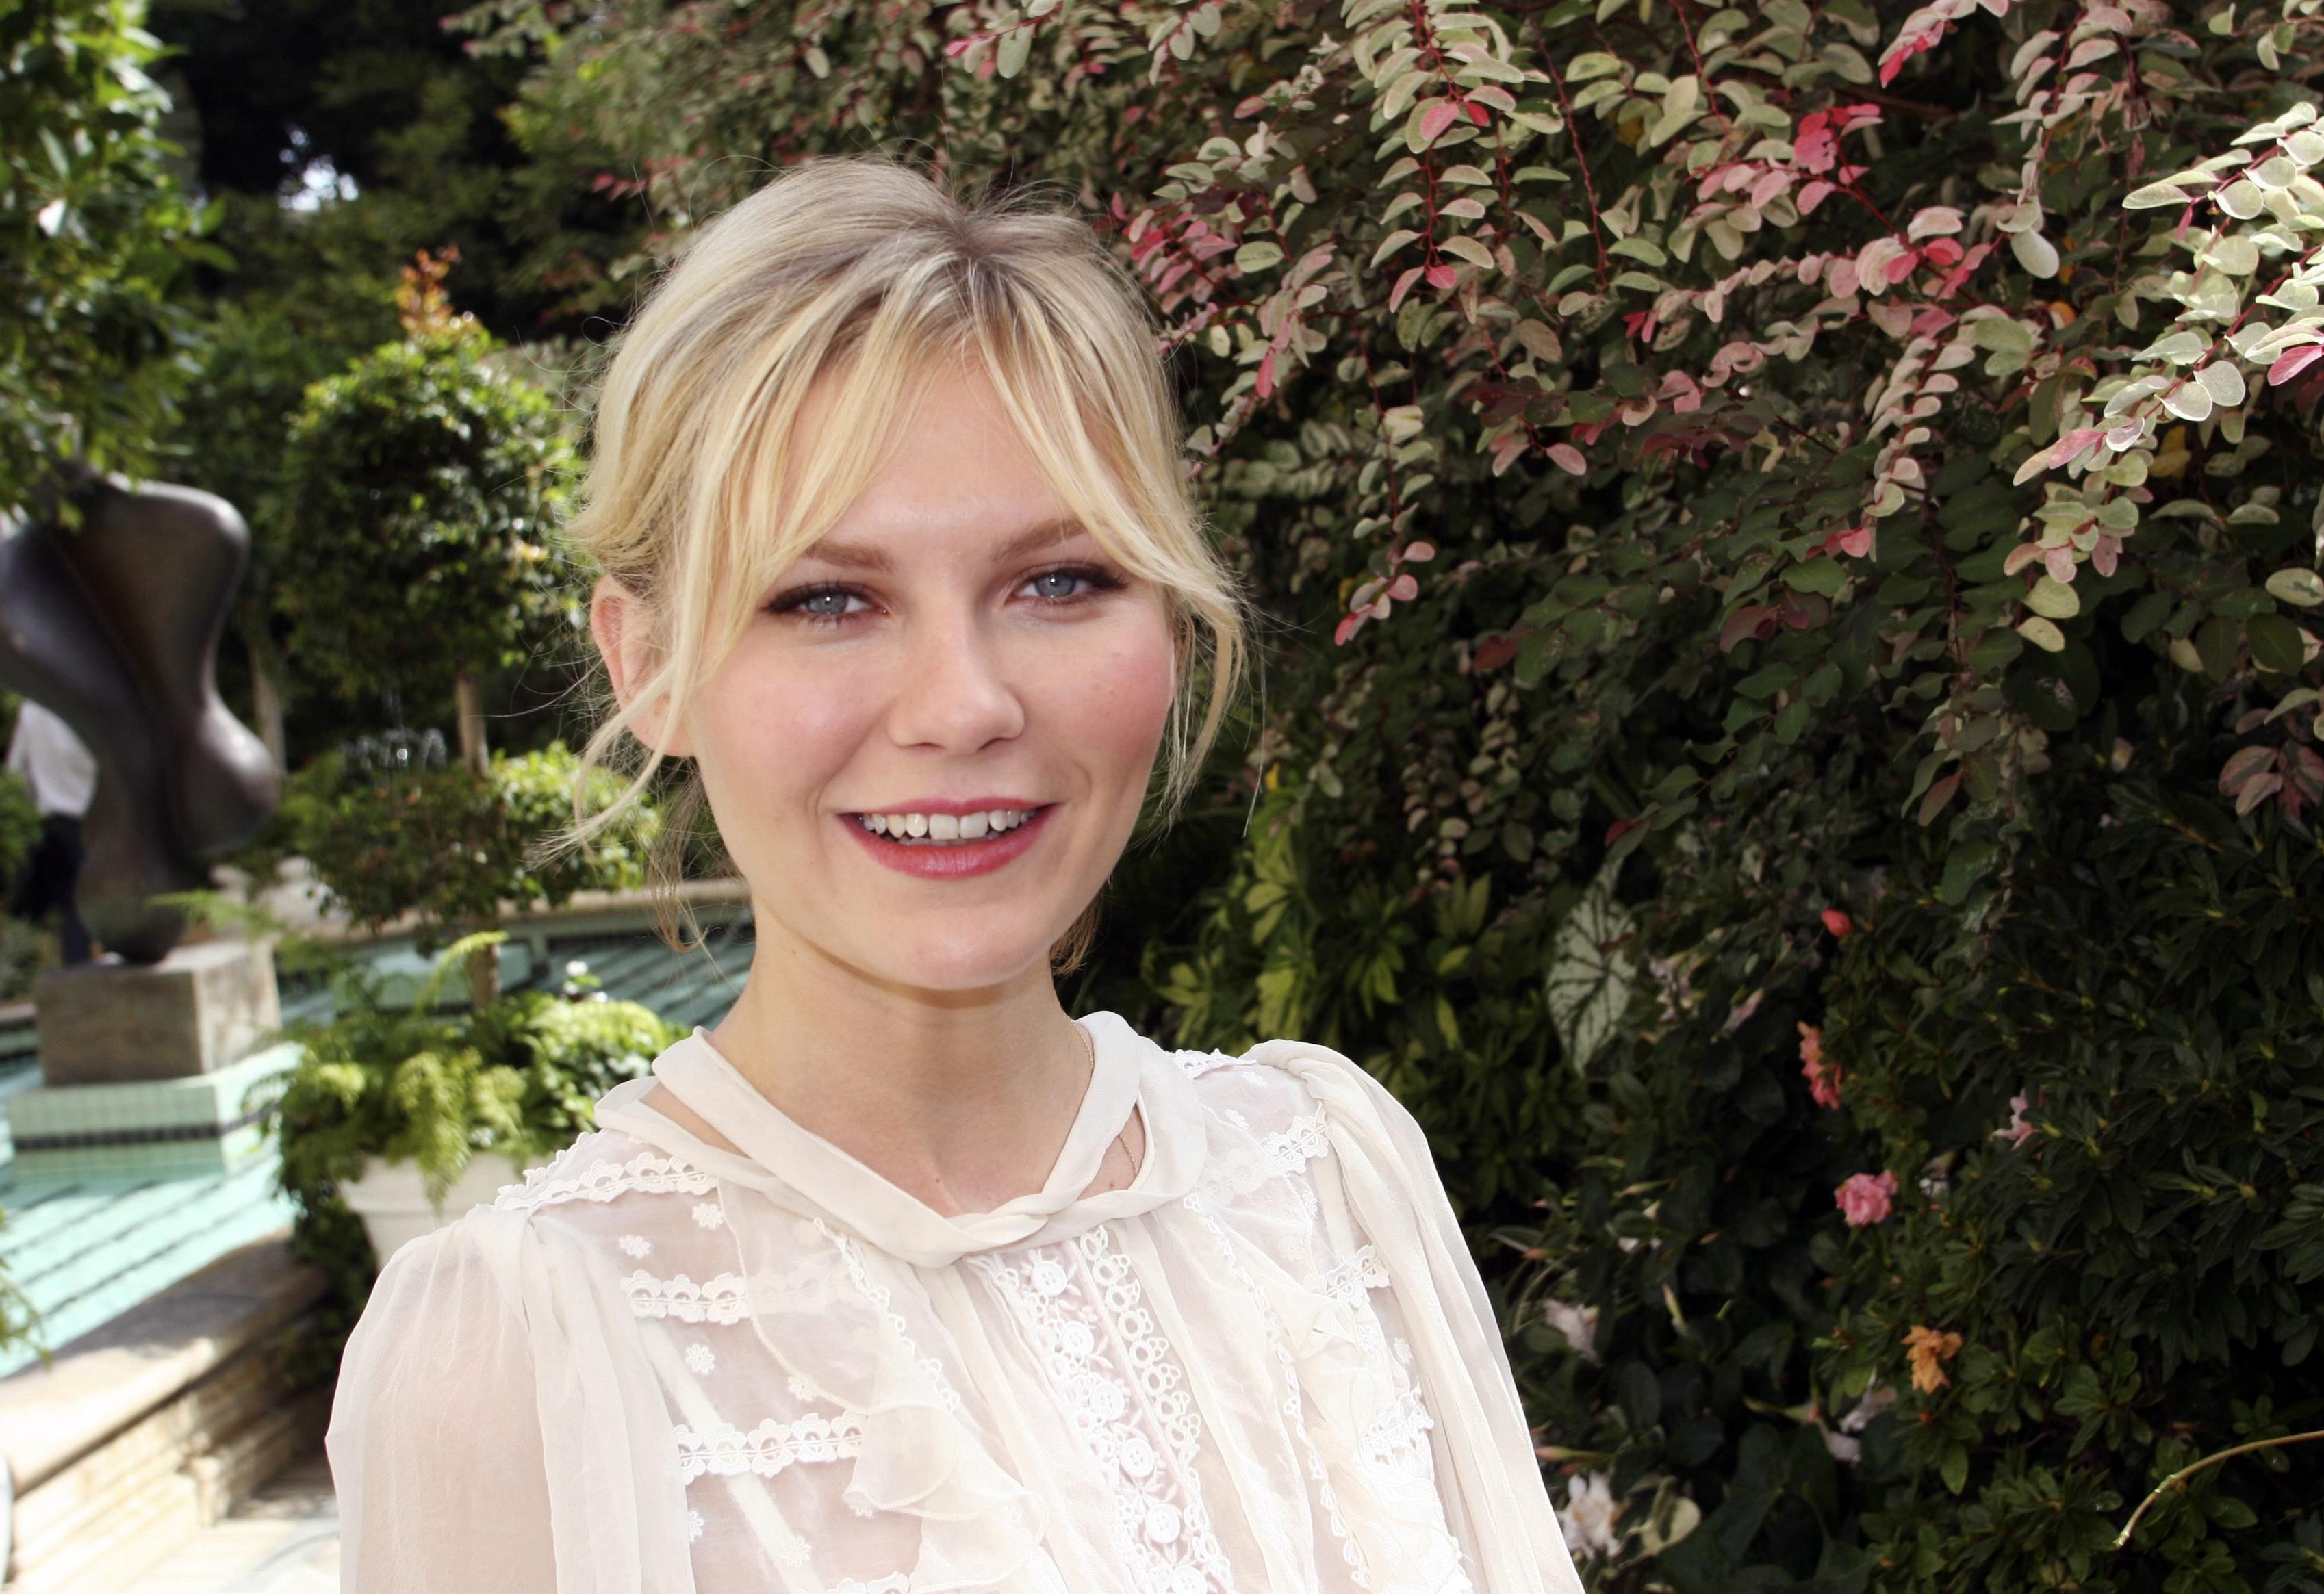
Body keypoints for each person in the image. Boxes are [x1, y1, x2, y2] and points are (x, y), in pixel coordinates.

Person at [325, 158, 1579, 1594]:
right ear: (648, 666)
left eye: (1058, 581)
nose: (963, 703)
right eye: (826, 598)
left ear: (1170, 624)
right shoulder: (518, 1349)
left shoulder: (1330, 1174)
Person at [5, 699, 96, 965]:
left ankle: (11, 965)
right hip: (88, 821)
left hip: (48, 822)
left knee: (36, 905)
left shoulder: (31, 710)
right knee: (78, 904)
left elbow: (16, 771)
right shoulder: (82, 703)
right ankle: (78, 971)